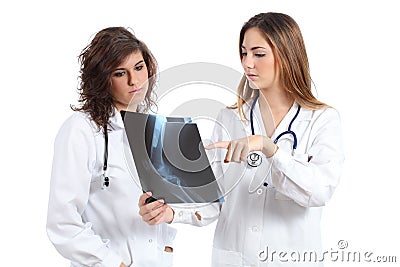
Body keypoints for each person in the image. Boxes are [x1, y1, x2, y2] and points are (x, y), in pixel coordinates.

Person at [140, 12, 345, 267]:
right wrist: (169, 213)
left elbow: (318, 192)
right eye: (244, 53)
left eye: (259, 54)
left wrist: (269, 148)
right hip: (233, 259)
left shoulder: (321, 120)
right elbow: (214, 201)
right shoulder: (229, 118)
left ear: (288, 55)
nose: (248, 63)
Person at [46, 27, 176, 267]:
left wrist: (166, 243)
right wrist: (115, 264)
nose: (134, 81)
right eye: (119, 73)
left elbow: (181, 206)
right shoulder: (82, 130)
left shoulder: (155, 130)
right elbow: (62, 223)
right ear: (101, 79)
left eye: (139, 68)